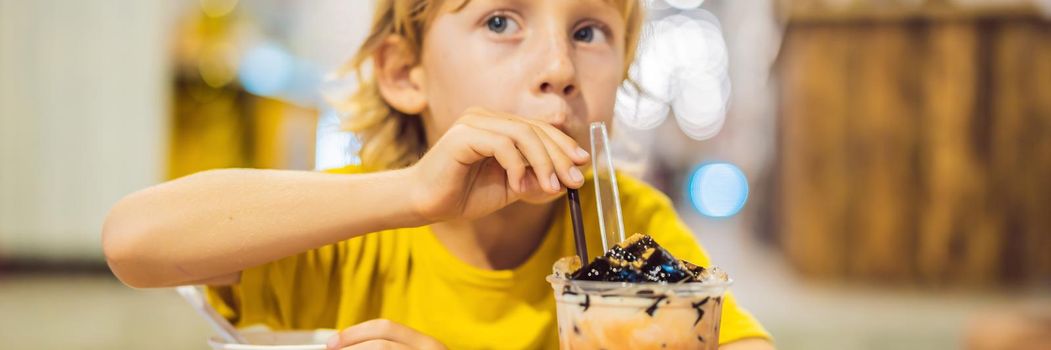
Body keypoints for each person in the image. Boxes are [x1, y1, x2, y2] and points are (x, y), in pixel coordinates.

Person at [102, 0, 773, 348]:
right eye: (501, 20)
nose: (559, 69)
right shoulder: (358, 227)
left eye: (589, 31)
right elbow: (133, 240)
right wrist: (410, 192)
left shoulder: (630, 236)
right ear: (403, 73)